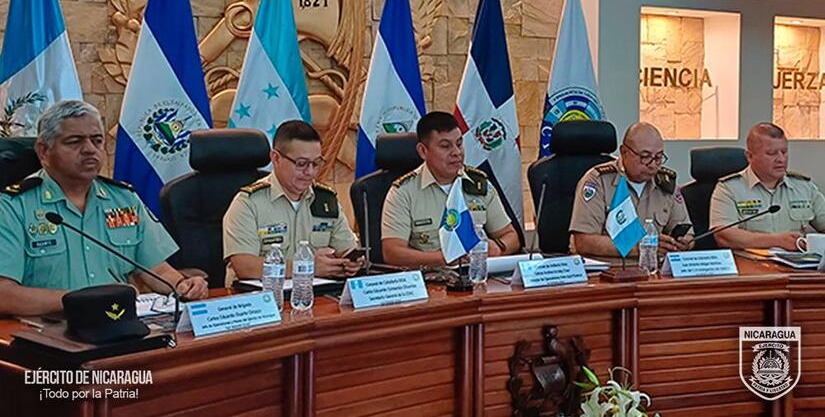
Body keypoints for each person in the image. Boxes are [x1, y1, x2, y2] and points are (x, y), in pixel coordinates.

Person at [0, 100, 208, 317]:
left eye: (97, 140)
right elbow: (4, 294)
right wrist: (83, 300)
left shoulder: (124, 199)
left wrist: (182, 285)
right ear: (43, 151)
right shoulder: (12, 207)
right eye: (75, 141)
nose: (90, 149)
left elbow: (156, 269)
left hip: (118, 322)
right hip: (49, 327)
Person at [223, 120, 362, 285]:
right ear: (276, 158)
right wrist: (306, 267)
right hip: (262, 296)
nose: (310, 172)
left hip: (315, 294)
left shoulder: (326, 200)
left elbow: (346, 249)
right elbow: (245, 267)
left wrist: (350, 262)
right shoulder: (248, 203)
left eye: (316, 163)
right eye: (301, 164)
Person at [381, 111, 520, 267]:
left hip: (477, 275)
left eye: (459, 143)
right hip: (432, 277)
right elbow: (392, 252)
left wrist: (498, 248)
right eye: (445, 146)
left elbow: (511, 236)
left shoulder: (478, 184)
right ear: (423, 151)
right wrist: (444, 258)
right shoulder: (403, 192)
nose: (456, 152)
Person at [569, 122, 692, 264]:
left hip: (653, 271)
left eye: (658, 157)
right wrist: (641, 247)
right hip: (608, 271)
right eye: (645, 157)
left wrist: (685, 243)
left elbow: (688, 232)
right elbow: (583, 242)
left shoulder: (665, 184)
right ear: (624, 152)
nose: (653, 165)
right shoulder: (598, 181)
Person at [710, 122, 825, 250]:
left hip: (798, 261)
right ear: (750, 156)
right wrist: (778, 241)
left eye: (784, 152)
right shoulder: (729, 189)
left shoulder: (804, 187)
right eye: (771, 153)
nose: (781, 159)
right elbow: (724, 236)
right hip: (750, 261)